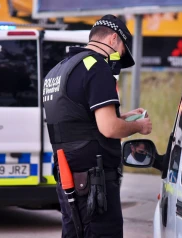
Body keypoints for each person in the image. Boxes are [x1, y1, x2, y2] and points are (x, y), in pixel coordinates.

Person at [43, 14, 152, 238]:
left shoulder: (59, 70)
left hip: (68, 181)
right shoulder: (97, 67)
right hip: (95, 186)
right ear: (113, 39)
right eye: (122, 49)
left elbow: (78, 120)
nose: (119, 57)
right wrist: (139, 127)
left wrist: (125, 116)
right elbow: (109, 128)